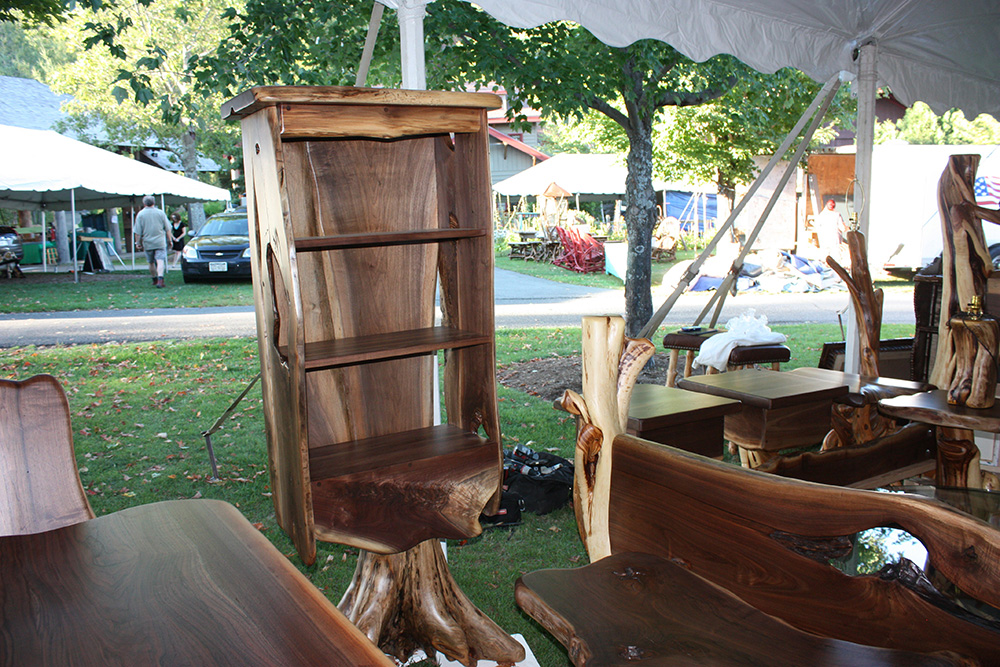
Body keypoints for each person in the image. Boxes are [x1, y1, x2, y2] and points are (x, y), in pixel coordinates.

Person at [133, 195, 172, 288]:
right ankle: (160, 279)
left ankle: (154, 279)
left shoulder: (140, 214)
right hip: (160, 241)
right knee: (160, 260)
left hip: (148, 242)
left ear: (144, 203)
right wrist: (170, 240)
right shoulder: (160, 213)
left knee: (151, 262)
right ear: (154, 203)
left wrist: (137, 243)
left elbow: (137, 231)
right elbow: (168, 228)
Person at [816, 199, 847, 265]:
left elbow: (842, 227)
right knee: (827, 255)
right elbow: (818, 226)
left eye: (833, 204)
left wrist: (845, 228)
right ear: (827, 204)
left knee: (833, 255)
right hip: (828, 238)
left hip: (832, 239)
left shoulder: (836, 214)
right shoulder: (823, 215)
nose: (832, 205)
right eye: (830, 204)